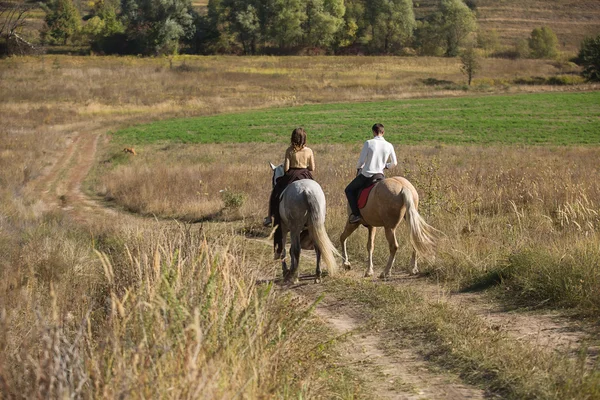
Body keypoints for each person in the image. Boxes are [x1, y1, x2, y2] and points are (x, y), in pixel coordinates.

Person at [345, 123, 397, 224]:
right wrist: (386, 166)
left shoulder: (369, 143)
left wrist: (358, 167)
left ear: (373, 132)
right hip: (380, 176)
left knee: (349, 190)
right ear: (383, 132)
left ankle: (356, 215)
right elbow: (394, 163)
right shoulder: (389, 145)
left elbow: (361, 162)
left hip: (367, 176)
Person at [264, 127, 315, 229]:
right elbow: (312, 168)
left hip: (292, 174)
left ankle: (269, 217)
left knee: (276, 191)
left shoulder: (290, 150)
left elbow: (286, 168)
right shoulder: (309, 151)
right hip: (305, 174)